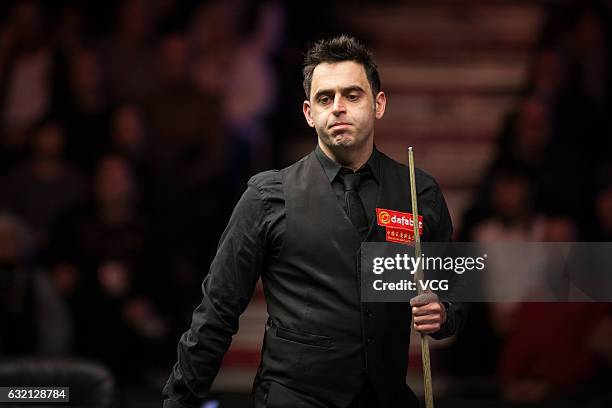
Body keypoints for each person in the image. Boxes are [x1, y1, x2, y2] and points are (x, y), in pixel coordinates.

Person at [163, 35, 465, 408]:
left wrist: (444, 312)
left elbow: (454, 289)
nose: (338, 107)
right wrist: (180, 402)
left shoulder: (419, 191)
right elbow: (217, 311)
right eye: (325, 98)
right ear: (309, 113)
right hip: (294, 399)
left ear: (379, 104)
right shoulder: (267, 197)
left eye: (352, 95)